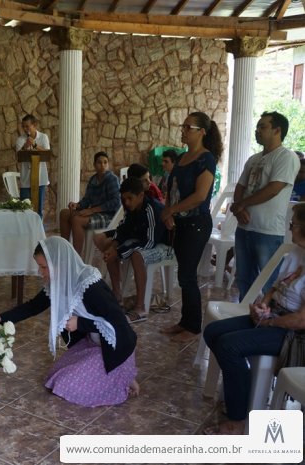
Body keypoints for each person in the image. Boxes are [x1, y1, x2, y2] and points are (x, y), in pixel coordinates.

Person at [0, 236, 139, 406]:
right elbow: (33, 307)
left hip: (116, 348)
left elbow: (117, 322)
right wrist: (0, 318)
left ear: (60, 264)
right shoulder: (59, 282)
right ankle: (122, 375)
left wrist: (80, 323)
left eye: (44, 267)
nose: (41, 272)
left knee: (66, 384)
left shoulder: (90, 285)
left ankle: (124, 375)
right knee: (55, 377)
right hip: (95, 343)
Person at [203, 203, 305, 435]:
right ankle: (241, 389)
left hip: (294, 333)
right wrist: (263, 305)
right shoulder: (297, 252)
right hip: (276, 315)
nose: (290, 228)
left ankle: (238, 419)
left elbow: (301, 321)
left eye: (294, 224)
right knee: (213, 331)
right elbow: (276, 287)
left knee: (229, 345)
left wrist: (270, 322)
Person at [160, 112, 222, 343]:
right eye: (183, 126)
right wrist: (169, 212)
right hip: (180, 223)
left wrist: (171, 211)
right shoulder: (182, 157)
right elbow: (172, 188)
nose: (183, 130)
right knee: (183, 275)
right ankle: (185, 321)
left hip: (196, 224)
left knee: (187, 275)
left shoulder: (206, 159)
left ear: (202, 132)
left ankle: (193, 327)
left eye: (189, 127)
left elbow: (200, 196)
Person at [230, 111, 299, 300]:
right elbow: (241, 186)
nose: (257, 130)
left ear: (277, 130)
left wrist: (241, 204)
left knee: (270, 282)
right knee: (244, 279)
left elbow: (274, 188)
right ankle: (245, 313)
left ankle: (269, 315)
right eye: (257, 127)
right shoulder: (253, 159)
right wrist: (238, 209)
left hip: (267, 231)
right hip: (244, 227)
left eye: (263, 126)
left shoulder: (286, 156)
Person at [95, 177, 172, 323]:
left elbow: (149, 242)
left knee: (137, 255)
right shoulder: (131, 207)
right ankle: (117, 297)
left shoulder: (152, 209)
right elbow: (123, 229)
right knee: (111, 247)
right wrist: (113, 247)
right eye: (124, 199)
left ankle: (140, 308)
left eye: (130, 198)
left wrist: (119, 251)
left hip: (163, 244)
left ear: (141, 195)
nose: (127, 202)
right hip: (143, 239)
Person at [59, 151, 121, 256]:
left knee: (77, 220)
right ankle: (65, 251)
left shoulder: (112, 179)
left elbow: (116, 202)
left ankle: (76, 258)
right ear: (94, 165)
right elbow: (87, 200)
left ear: (108, 164)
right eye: (99, 162)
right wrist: (77, 205)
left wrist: (91, 210)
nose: (103, 165)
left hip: (110, 216)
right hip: (96, 213)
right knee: (64, 213)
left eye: (105, 162)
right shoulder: (93, 180)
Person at [15, 114, 50, 217]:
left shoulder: (43, 137)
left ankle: (38, 227)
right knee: (24, 209)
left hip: (40, 178)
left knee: (38, 209)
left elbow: (47, 153)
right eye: (23, 127)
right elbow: (19, 156)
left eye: (27, 126)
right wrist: (25, 146)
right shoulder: (20, 140)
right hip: (26, 180)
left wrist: (34, 145)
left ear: (34, 125)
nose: (25, 129)